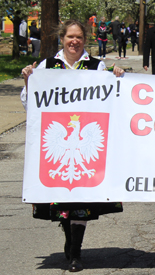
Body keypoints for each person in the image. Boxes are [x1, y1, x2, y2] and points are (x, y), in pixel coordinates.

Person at [20, 20, 125, 273]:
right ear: (62, 39)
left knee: (82, 201)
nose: (74, 41)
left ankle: (76, 254)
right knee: (62, 202)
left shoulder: (96, 66)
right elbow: (30, 104)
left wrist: (118, 79)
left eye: (78, 37)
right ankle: (69, 237)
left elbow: (113, 102)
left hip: (86, 148)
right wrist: (28, 81)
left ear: (85, 38)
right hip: (57, 147)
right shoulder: (47, 66)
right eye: (70, 37)